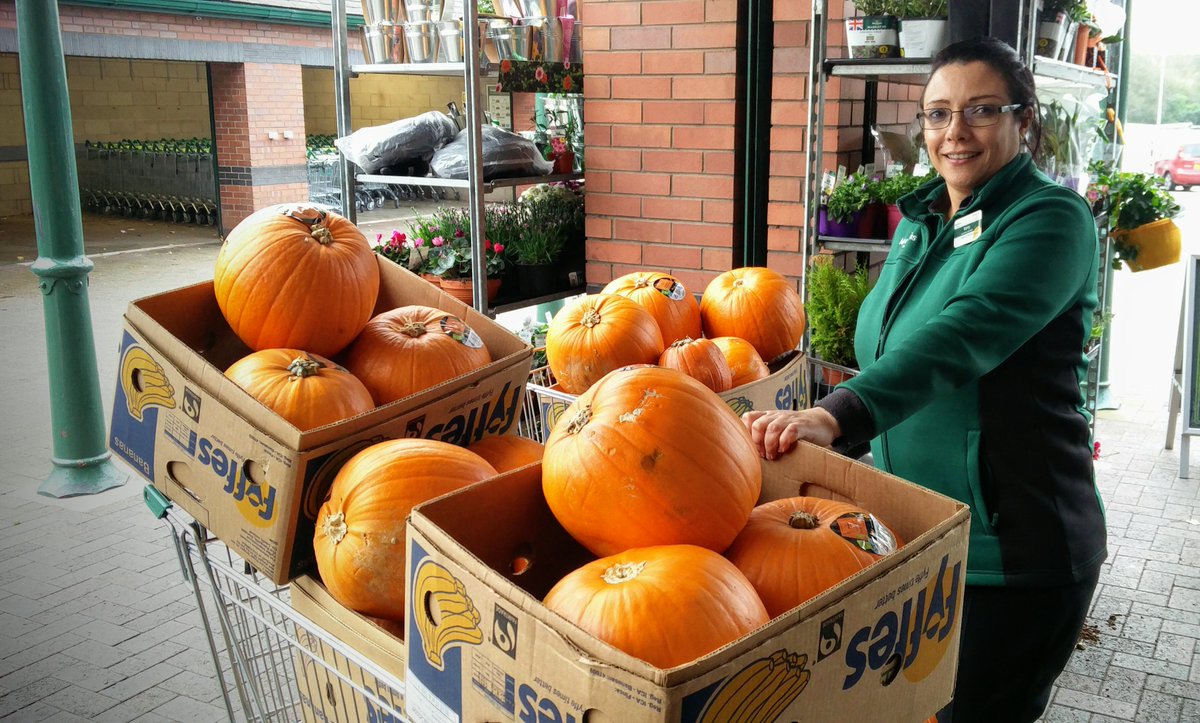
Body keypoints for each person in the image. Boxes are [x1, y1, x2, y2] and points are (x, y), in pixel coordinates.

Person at [744, 37, 1106, 723]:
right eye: (938, 114)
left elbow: (962, 335)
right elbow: (885, 347)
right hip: (923, 537)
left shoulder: (1051, 221)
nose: (954, 132)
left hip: (1013, 553)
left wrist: (837, 414)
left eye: (980, 110)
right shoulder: (924, 223)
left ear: (1023, 119)